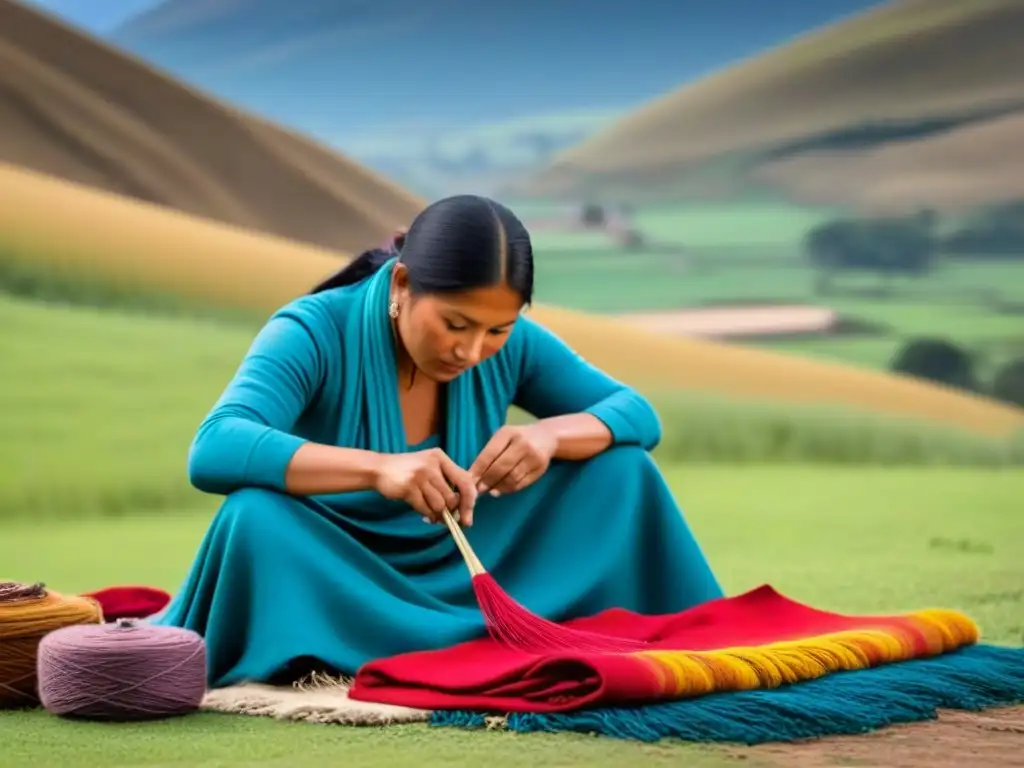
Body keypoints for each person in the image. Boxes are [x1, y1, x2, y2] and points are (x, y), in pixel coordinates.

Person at [153, 194, 724, 688]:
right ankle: (374, 641)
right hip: (341, 566)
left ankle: (508, 629)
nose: (472, 351)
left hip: (474, 557)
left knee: (621, 470)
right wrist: (379, 469)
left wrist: (549, 436)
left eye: (496, 330)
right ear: (402, 284)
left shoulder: (515, 344)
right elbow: (216, 448)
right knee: (253, 517)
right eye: (455, 325)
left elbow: (636, 414)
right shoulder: (310, 330)